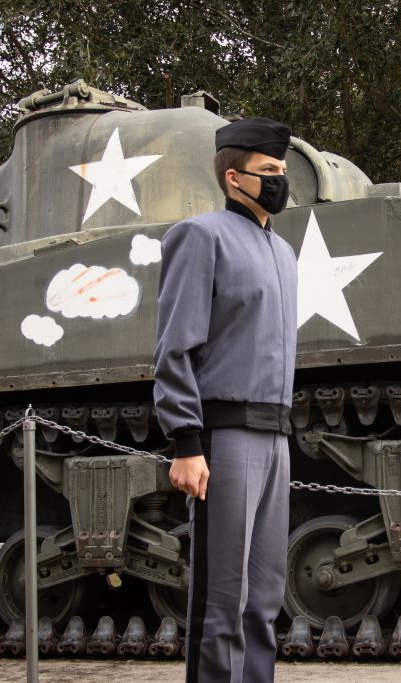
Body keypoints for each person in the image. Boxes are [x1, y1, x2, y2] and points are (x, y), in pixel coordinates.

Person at [153, 116, 297, 683]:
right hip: (225, 435)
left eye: (283, 171)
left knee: (264, 598)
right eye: (268, 172)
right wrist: (185, 440)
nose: (280, 181)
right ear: (234, 177)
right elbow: (175, 347)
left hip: (275, 436)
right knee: (224, 599)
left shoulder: (283, 253)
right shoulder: (201, 236)